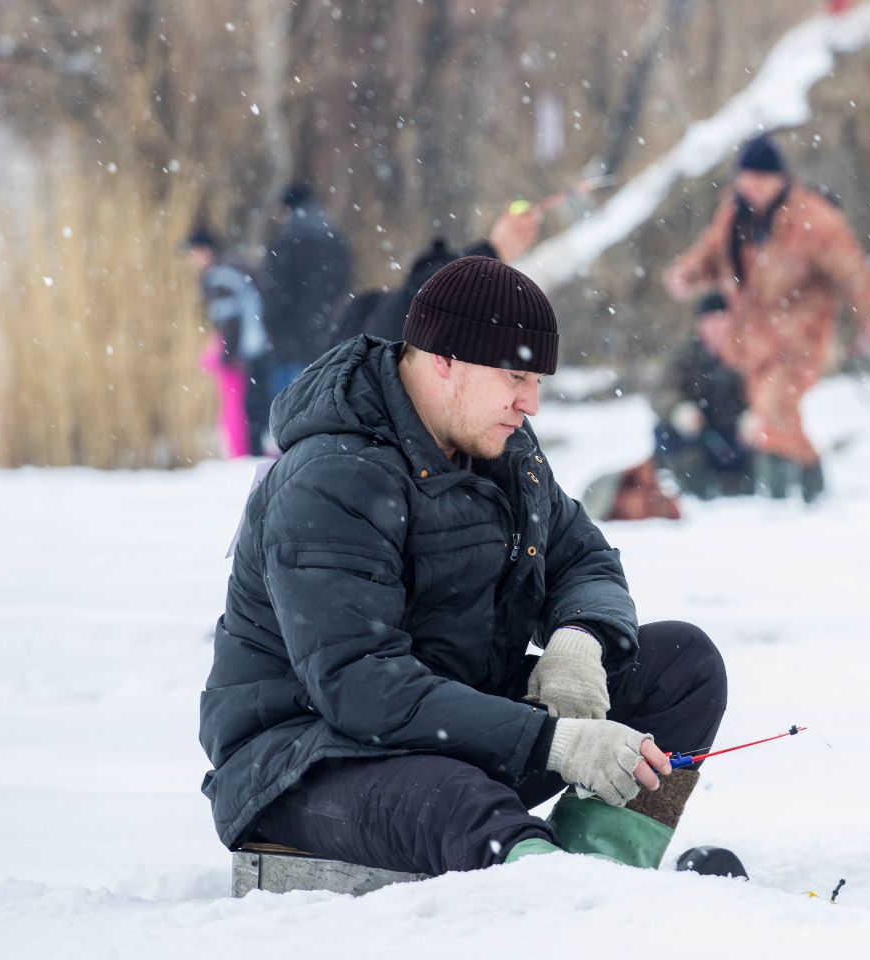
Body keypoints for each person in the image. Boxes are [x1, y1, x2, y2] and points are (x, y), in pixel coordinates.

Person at [199, 256, 727, 876]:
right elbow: (362, 686)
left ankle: (598, 873)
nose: (530, 403)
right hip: (306, 763)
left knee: (682, 666)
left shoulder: (503, 451)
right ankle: (546, 893)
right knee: (463, 805)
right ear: (444, 361)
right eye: (514, 378)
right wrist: (556, 742)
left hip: (452, 727)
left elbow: (581, 556)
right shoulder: (332, 477)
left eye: (537, 383)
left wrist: (579, 640)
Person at [664, 134, 870, 503]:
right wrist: (687, 274)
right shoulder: (732, 214)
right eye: (745, 179)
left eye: (759, 180)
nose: (750, 188)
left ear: (779, 179)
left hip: (801, 337)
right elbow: (711, 254)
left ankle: (780, 501)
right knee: (777, 416)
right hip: (752, 341)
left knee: (772, 413)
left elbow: (853, 270)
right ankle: (814, 492)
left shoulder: (813, 219)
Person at [325, 205, 543, 349]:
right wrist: (492, 251)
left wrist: (493, 251)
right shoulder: (376, 328)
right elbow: (423, 300)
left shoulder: (362, 329)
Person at [649, 291, 753, 499]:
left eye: (720, 320)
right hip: (698, 437)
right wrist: (680, 411)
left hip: (735, 437)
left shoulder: (746, 356)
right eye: (710, 321)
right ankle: (686, 487)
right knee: (666, 435)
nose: (716, 327)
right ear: (699, 325)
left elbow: (762, 390)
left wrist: (752, 416)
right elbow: (661, 392)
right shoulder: (684, 357)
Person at [184, 224, 270, 457]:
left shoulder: (219, 275)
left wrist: (228, 354)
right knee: (259, 408)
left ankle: (249, 457)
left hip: (250, 348)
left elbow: (230, 317)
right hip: (266, 343)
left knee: (246, 410)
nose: (189, 260)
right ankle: (256, 453)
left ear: (204, 250)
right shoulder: (234, 265)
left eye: (191, 253)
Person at [260, 182, 352, 395]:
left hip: (289, 339)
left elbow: (276, 292)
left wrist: (270, 324)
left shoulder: (286, 240)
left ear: (288, 208)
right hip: (326, 333)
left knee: (287, 407)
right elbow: (343, 283)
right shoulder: (334, 238)